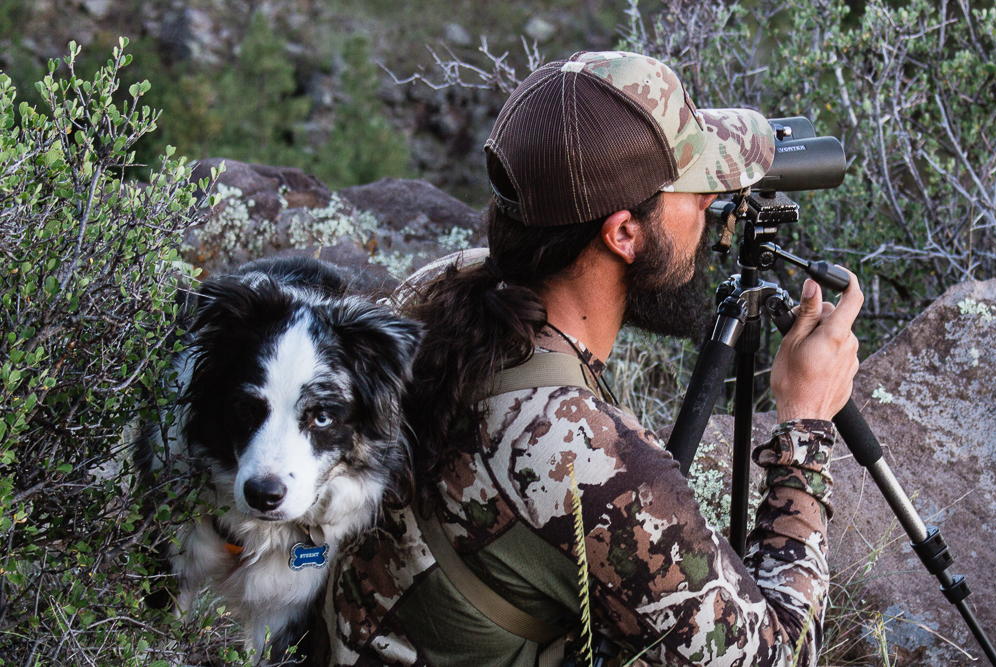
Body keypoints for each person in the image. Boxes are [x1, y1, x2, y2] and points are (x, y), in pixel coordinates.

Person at [324, 51, 862, 667]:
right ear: (623, 233)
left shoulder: (439, 293)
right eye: (695, 187)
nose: (715, 199)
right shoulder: (584, 452)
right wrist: (806, 424)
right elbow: (777, 659)